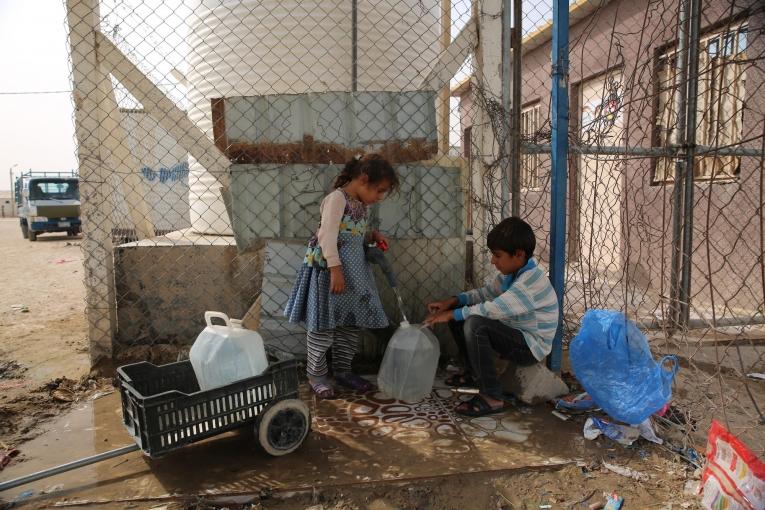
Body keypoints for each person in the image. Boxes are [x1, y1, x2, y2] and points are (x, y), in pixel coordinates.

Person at [284, 154, 399, 399]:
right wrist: (335, 270)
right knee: (323, 326)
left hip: (354, 277)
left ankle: (343, 371)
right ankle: (316, 375)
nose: (379, 197)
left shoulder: (361, 205)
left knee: (349, 325)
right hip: (330, 275)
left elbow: (353, 235)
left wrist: (372, 236)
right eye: (378, 191)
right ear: (363, 179)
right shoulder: (337, 199)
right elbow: (327, 235)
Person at [424, 217, 559, 417]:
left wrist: (451, 314)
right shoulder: (512, 273)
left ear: (519, 254)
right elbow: (486, 293)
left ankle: (492, 396)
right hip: (516, 333)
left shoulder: (530, 282)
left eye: (497, 256)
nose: (493, 261)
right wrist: (453, 301)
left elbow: (492, 309)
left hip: (531, 346)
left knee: (475, 323)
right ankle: (473, 374)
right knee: (463, 311)